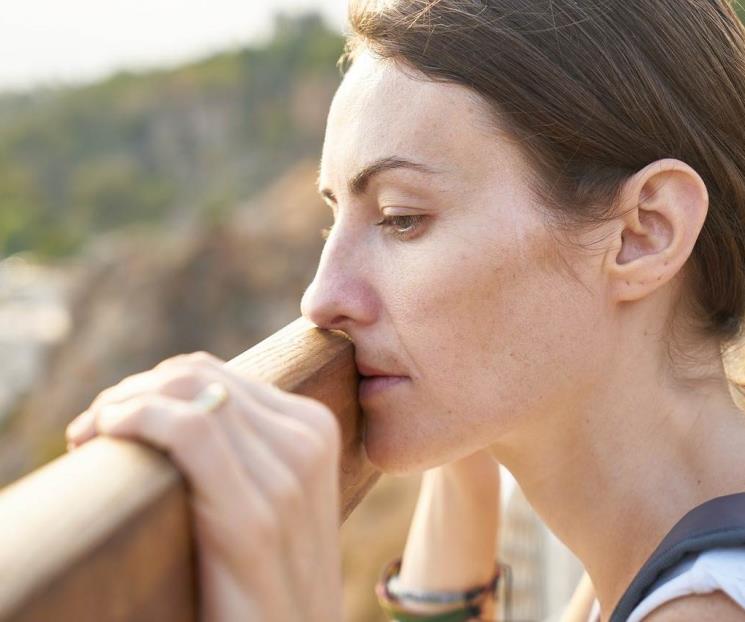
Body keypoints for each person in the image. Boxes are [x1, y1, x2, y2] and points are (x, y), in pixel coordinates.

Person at [65, 0, 745, 620]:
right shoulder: (653, 551)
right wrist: (461, 451)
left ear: (642, 232)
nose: (319, 299)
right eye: (332, 221)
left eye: (400, 218)